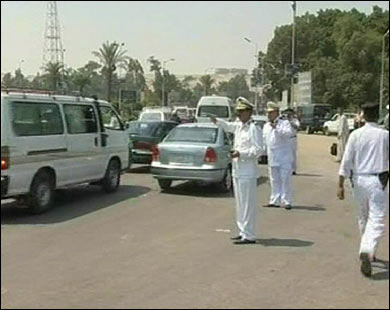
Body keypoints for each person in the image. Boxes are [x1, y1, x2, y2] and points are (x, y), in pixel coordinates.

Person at [338, 102, 389, 277]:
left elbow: (346, 159)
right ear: (378, 115)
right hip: (377, 180)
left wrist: (340, 183)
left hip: (358, 180)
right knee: (377, 218)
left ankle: (368, 251)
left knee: (363, 216)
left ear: (363, 115)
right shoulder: (384, 135)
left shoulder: (355, 135)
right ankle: (367, 249)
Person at [210, 97, 263, 244]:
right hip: (238, 170)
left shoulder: (254, 128)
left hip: (248, 170)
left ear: (248, 112)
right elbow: (228, 126)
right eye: (237, 112)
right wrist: (216, 121)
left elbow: (259, 150)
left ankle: (250, 234)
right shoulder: (239, 126)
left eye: (241, 112)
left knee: (247, 204)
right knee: (240, 204)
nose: (238, 114)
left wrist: (242, 154)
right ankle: (242, 231)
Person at [263, 102, 295, 210]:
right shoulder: (266, 126)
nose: (268, 115)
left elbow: (288, 134)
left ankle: (286, 201)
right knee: (274, 179)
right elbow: (265, 140)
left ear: (276, 113)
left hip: (284, 156)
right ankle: (274, 200)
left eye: (271, 113)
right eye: (268, 113)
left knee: (285, 179)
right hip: (272, 156)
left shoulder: (284, 123)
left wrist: (276, 127)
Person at [284, 108, 300, 175]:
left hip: (292, 138)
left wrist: (290, 122)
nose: (288, 115)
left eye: (290, 114)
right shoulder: (283, 121)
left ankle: (293, 169)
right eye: (287, 114)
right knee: (285, 154)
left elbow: (297, 127)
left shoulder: (295, 120)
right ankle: (286, 169)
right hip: (285, 139)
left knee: (292, 155)